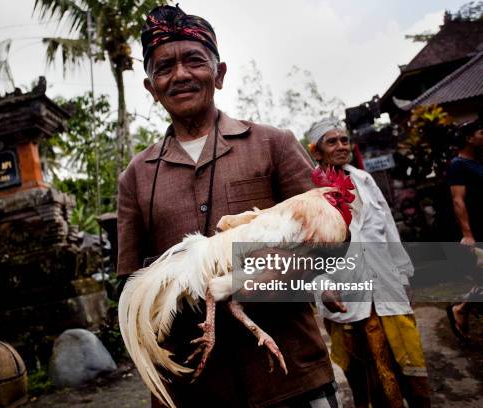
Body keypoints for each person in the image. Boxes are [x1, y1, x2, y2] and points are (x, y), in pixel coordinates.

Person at [117, 5, 341, 407]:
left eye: (194, 61)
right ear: (151, 87)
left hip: (288, 375)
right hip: (196, 389)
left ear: (219, 74)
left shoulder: (272, 143)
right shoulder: (135, 176)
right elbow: (132, 278)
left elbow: (332, 241)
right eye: (164, 66)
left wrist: (284, 277)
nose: (181, 74)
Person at [306, 118, 431, 408]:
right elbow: (305, 250)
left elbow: (387, 227)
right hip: (346, 293)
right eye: (332, 141)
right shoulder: (308, 192)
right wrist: (320, 286)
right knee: (363, 376)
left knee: (410, 368)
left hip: (386, 286)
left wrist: (403, 273)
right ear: (317, 152)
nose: (341, 146)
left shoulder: (364, 179)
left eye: (344, 140)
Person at [446, 118, 483, 341]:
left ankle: (463, 309)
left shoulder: (479, 162)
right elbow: (458, 201)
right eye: (481, 132)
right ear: (469, 138)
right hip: (477, 230)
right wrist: (467, 234)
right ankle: (462, 308)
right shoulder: (458, 165)